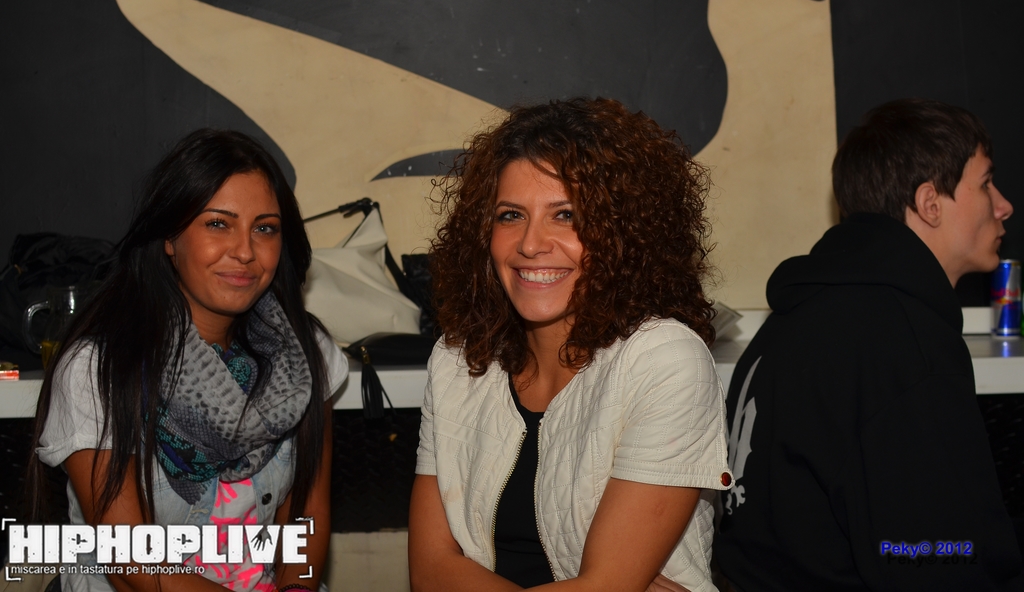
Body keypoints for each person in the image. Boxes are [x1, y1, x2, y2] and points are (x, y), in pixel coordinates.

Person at [408, 97, 734, 592]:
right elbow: (429, 571)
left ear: (623, 232)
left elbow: (603, 586)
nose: (531, 243)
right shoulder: (457, 361)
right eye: (510, 215)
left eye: (566, 215)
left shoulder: (665, 361)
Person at [714, 99, 1024, 591]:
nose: (1003, 205)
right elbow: (941, 561)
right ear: (930, 203)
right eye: (986, 183)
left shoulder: (790, 322)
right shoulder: (903, 344)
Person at [28, 129, 347, 592]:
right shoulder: (98, 368)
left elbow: (306, 513)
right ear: (169, 238)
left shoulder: (304, 352)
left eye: (264, 228)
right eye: (218, 224)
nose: (245, 251)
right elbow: (131, 563)